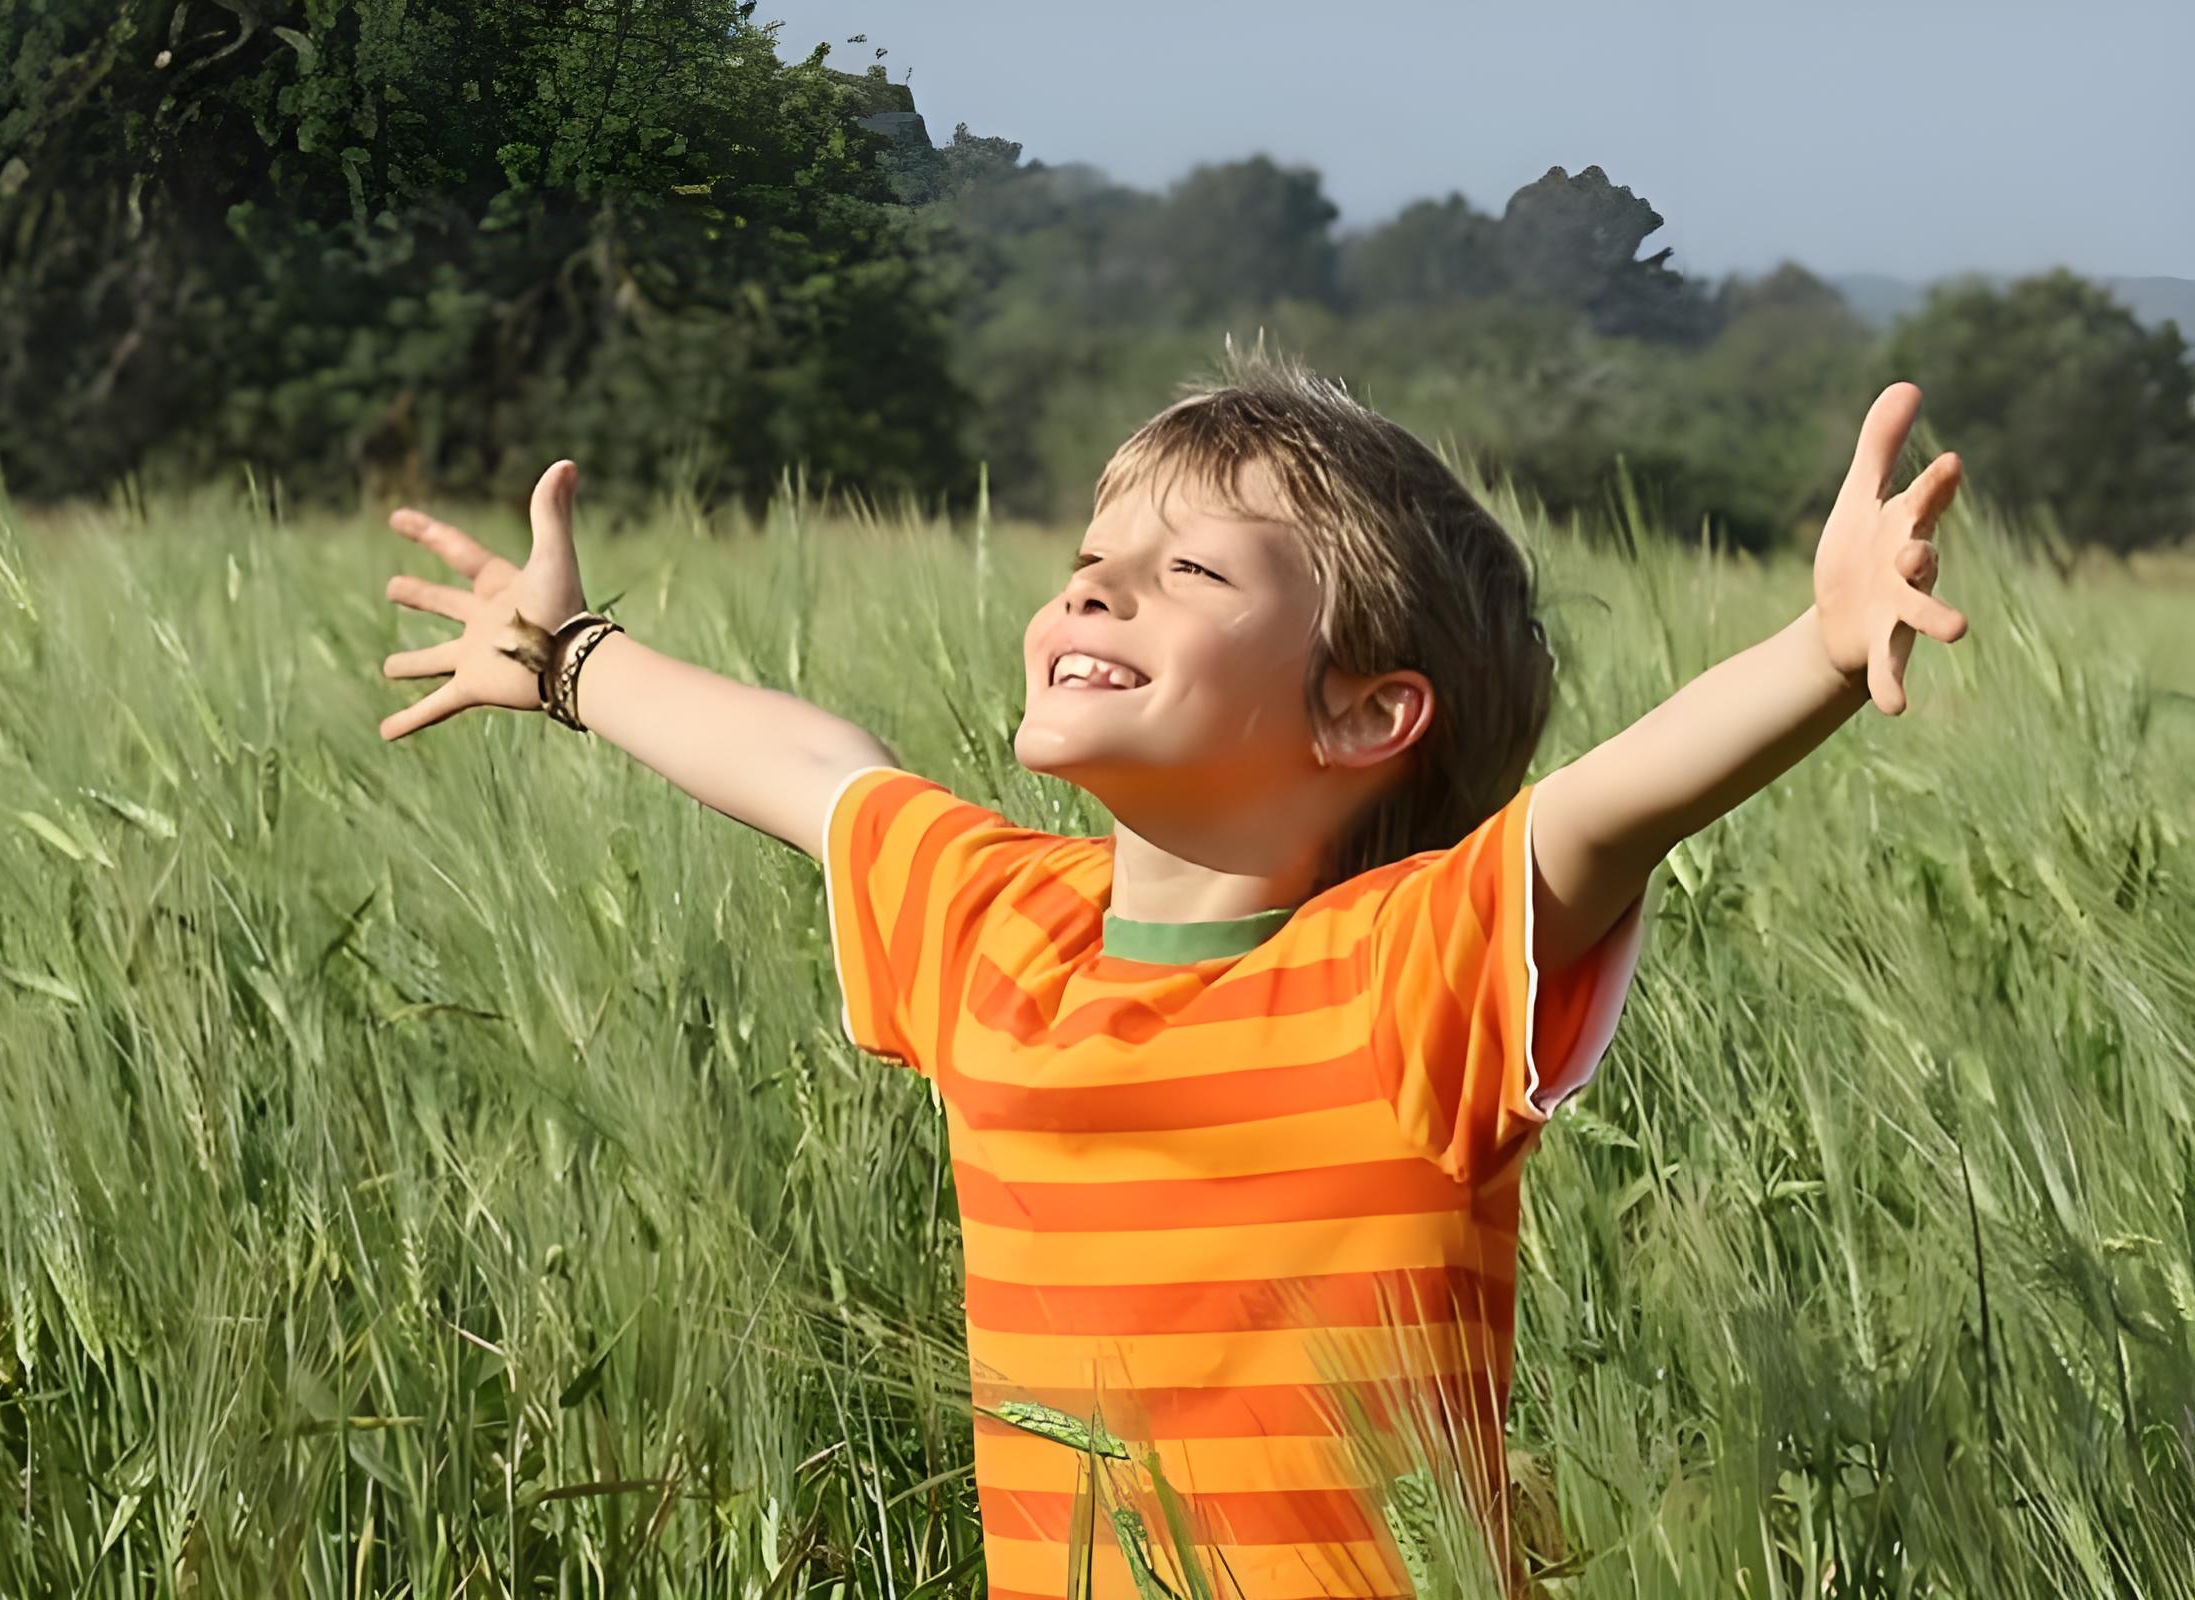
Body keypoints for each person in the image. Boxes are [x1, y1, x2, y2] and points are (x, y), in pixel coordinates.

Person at [373, 337, 1966, 1598]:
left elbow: (1610, 811)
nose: (1091, 586)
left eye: (1190, 573)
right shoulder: (1000, 924)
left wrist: (1820, 650)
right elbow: (810, 769)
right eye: (1090, 557)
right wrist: (573, 663)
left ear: (1362, 714)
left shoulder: (1410, 971)